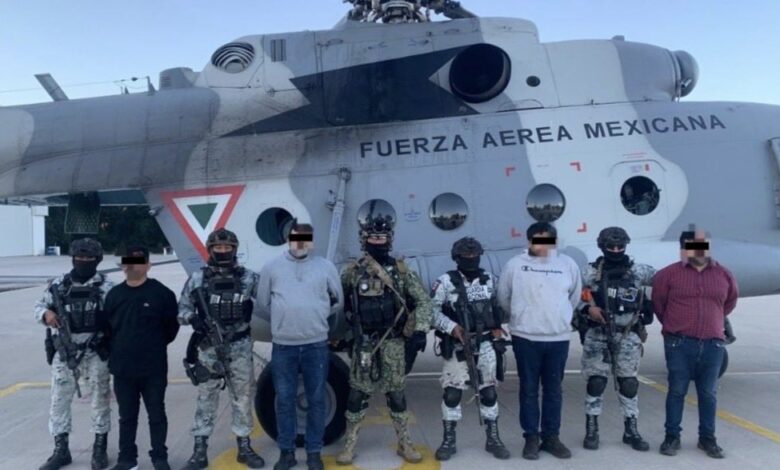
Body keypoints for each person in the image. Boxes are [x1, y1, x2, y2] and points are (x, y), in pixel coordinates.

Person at [336, 214, 432, 465]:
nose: (377, 241)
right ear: (363, 240)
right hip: (364, 343)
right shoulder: (353, 273)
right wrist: (343, 335)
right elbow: (339, 306)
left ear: (389, 239)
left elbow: (423, 301)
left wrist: (420, 330)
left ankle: (404, 442)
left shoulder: (401, 272)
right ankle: (350, 445)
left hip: (393, 344)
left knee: (397, 395)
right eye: (373, 237)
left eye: (381, 237)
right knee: (357, 395)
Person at [256, 222, 344, 470]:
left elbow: (337, 301)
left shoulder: (325, 267)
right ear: (289, 240)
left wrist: (315, 315)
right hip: (284, 346)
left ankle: (314, 452)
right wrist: (285, 318)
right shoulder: (272, 268)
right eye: (296, 238)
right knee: (285, 401)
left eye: (306, 238)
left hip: (316, 344)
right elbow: (263, 302)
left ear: (312, 241)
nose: (301, 242)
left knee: (316, 400)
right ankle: (287, 453)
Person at [178, 228, 265, 469]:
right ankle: (199, 450)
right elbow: (182, 309)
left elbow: (269, 300)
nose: (223, 251)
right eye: (218, 248)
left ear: (235, 249)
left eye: (228, 248)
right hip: (209, 349)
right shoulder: (198, 279)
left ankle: (244, 447)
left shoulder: (249, 278)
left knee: (242, 397)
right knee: (207, 397)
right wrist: (192, 319)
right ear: (210, 250)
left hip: (239, 347)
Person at [497, 222, 581, 460]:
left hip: (558, 338)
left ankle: (551, 437)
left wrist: (559, 318)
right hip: (526, 337)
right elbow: (504, 297)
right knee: (529, 390)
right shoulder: (515, 265)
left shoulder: (568, 265)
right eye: (537, 241)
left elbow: (574, 298)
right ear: (529, 241)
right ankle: (531, 437)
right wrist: (522, 316)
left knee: (554, 390)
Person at [653, 229, 738, 459]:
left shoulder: (724, 275)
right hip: (679, 344)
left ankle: (707, 438)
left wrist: (713, 321)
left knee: (708, 393)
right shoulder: (668, 275)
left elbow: (729, 303)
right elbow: (659, 305)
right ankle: (672, 437)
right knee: (676, 391)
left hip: (713, 344)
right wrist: (675, 326)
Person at [35, 238, 114, 470]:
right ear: (73, 258)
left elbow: (117, 315)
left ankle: (99, 448)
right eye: (80, 257)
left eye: (89, 258)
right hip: (66, 352)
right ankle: (61, 450)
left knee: (100, 400)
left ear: (97, 260)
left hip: (96, 351)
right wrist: (46, 314)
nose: (84, 261)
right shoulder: (58, 285)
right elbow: (39, 306)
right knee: (59, 400)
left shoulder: (107, 286)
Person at [574, 227, 655, 451]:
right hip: (598, 334)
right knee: (596, 382)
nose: (616, 250)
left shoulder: (639, 271)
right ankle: (592, 429)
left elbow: (668, 281)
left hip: (628, 334)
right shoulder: (589, 273)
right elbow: (571, 293)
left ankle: (631, 430)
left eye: (620, 246)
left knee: (628, 384)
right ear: (602, 247)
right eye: (611, 246)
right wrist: (587, 308)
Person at [431, 237, 510, 461]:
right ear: (457, 258)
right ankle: (449, 440)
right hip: (458, 343)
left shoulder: (490, 280)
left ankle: (493, 438)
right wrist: (451, 326)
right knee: (452, 393)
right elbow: (431, 311)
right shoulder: (446, 282)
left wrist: (497, 326)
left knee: (489, 392)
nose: (471, 259)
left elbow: (500, 305)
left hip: (485, 343)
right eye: (466, 256)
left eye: (475, 256)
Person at [104, 245, 180, 470]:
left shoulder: (162, 294)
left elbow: (171, 329)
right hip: (123, 369)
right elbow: (107, 329)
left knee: (156, 414)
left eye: (138, 262)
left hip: (153, 368)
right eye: (128, 262)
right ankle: (127, 459)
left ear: (148, 265)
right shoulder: (114, 295)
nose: (132, 266)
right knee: (127, 417)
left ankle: (160, 457)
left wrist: (151, 347)